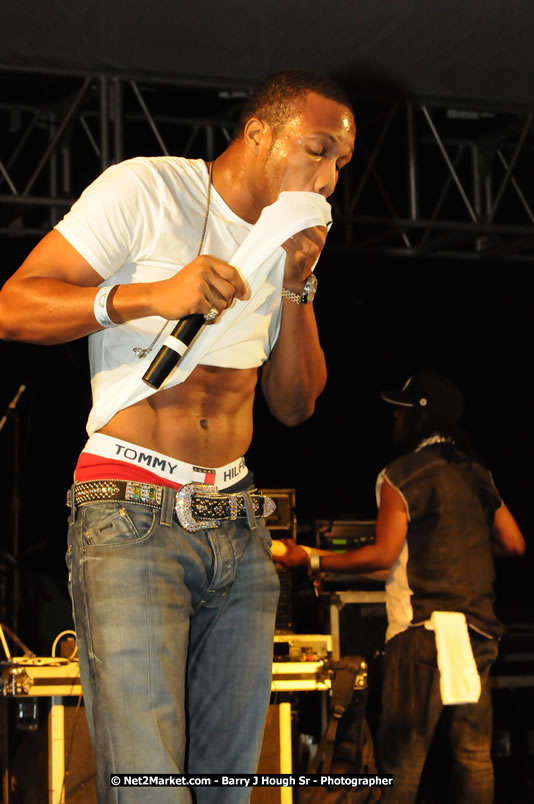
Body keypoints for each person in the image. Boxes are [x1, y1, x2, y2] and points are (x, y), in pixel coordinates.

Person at [0, 71, 356, 802]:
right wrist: (151, 296)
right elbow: (13, 306)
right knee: (151, 784)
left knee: (227, 784)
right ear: (259, 133)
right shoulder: (147, 190)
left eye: (340, 164)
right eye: (317, 151)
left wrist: (298, 281)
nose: (326, 178)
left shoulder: (292, 240)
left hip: (236, 520)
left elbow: (295, 405)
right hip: (130, 510)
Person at [276, 371, 525, 803]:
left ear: (421, 417)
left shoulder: (402, 474)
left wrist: (312, 559)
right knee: (474, 757)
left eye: (401, 411)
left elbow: (382, 556)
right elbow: (514, 543)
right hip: (477, 633)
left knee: (401, 762)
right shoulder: (477, 474)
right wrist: (461, 547)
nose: (394, 417)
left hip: (421, 633)